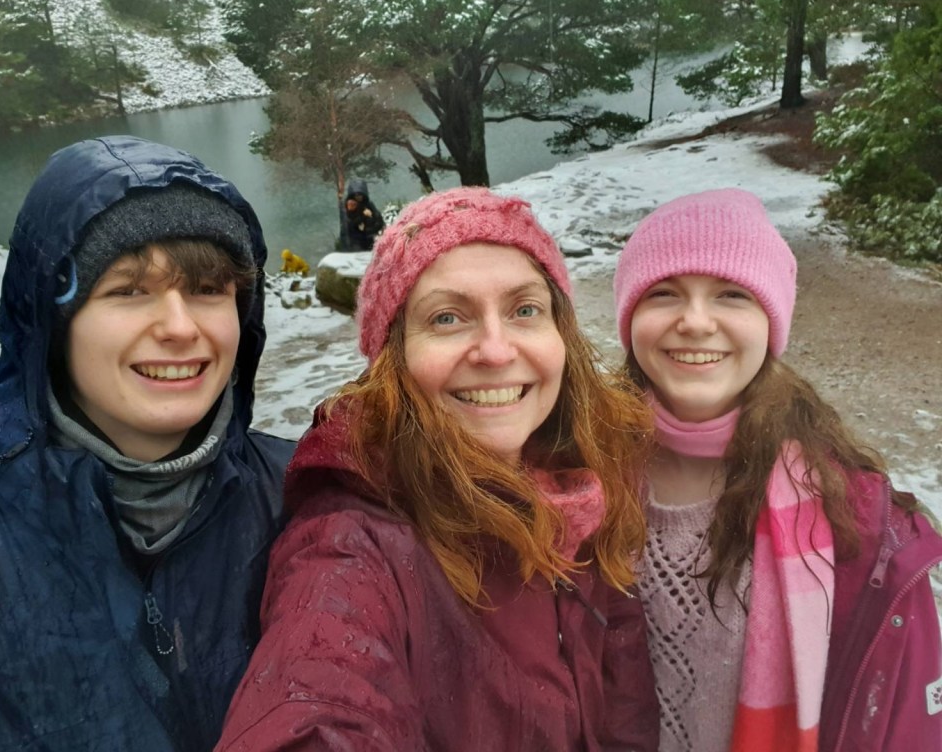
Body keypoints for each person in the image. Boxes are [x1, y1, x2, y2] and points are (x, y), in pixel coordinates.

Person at [216, 187, 659, 750]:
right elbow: (318, 699)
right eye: (447, 317)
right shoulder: (354, 542)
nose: (496, 351)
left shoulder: (585, 489)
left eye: (525, 309)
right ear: (393, 358)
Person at [0, 135, 295, 751]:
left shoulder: (312, 501)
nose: (180, 327)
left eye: (208, 289)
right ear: (52, 324)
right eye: (127, 290)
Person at [612, 188, 942, 752]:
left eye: (731, 294)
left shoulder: (855, 520)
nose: (695, 322)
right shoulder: (577, 477)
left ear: (772, 321)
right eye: (664, 292)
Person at [337, 177, 385, 251]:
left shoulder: (368, 204)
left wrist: (368, 227)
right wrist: (362, 217)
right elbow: (347, 226)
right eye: (356, 195)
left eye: (360, 195)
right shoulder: (346, 206)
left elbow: (379, 222)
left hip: (368, 237)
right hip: (354, 240)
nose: (358, 198)